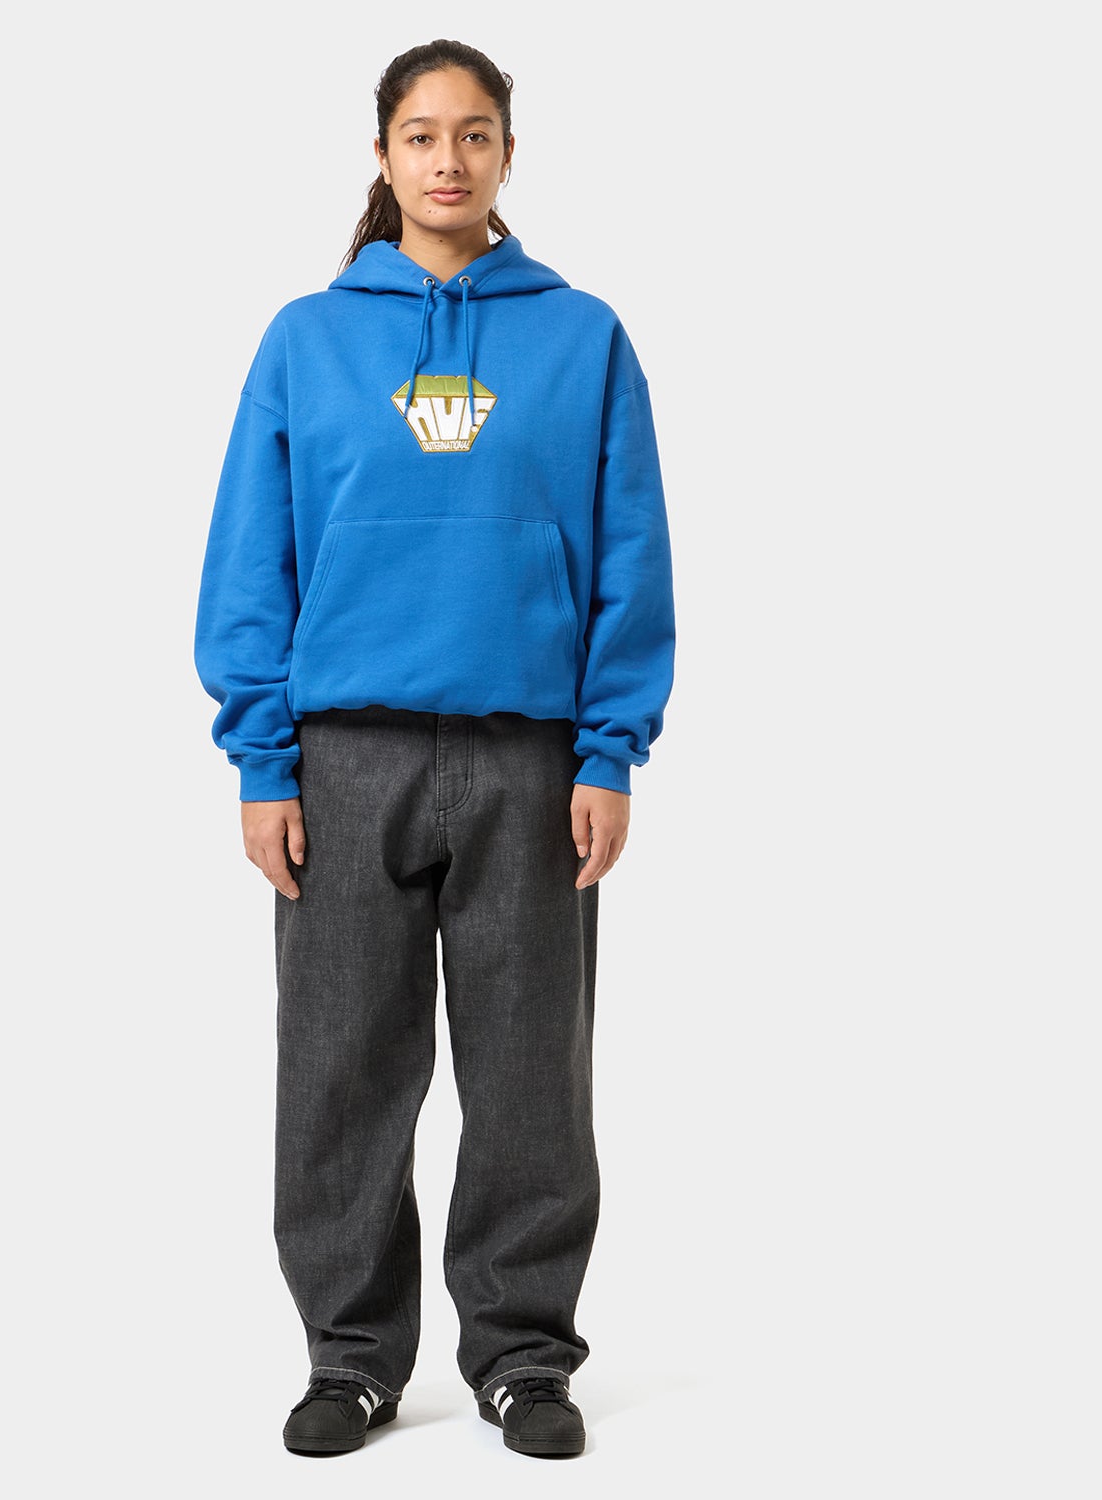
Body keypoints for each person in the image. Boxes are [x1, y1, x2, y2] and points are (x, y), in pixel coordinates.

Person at [194, 38, 675, 1459]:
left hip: (532, 759)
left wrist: (609, 750)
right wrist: (263, 762)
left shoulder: (582, 338)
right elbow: (253, 558)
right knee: (341, 1068)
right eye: (421, 134)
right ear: (383, 156)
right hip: (346, 758)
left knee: (531, 1074)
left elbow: (630, 554)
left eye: (474, 134)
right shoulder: (307, 340)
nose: (448, 159)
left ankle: (522, 1354)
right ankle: (351, 1358)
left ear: (508, 155)